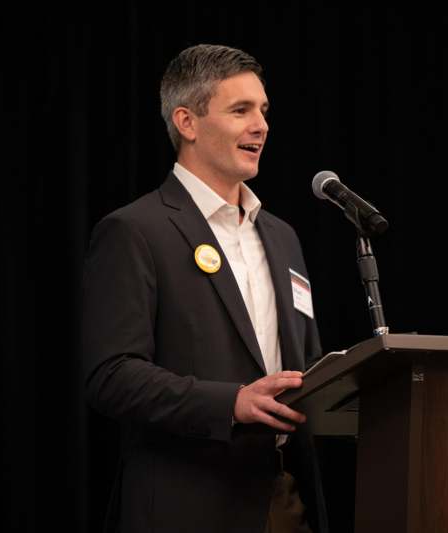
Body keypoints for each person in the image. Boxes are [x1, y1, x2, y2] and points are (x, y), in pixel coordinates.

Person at [82, 44, 328, 533]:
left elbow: (307, 365)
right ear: (187, 122)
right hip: (186, 504)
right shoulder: (135, 230)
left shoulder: (282, 237)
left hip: (283, 501)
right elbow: (110, 375)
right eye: (240, 110)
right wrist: (230, 402)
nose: (261, 125)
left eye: (263, 110)